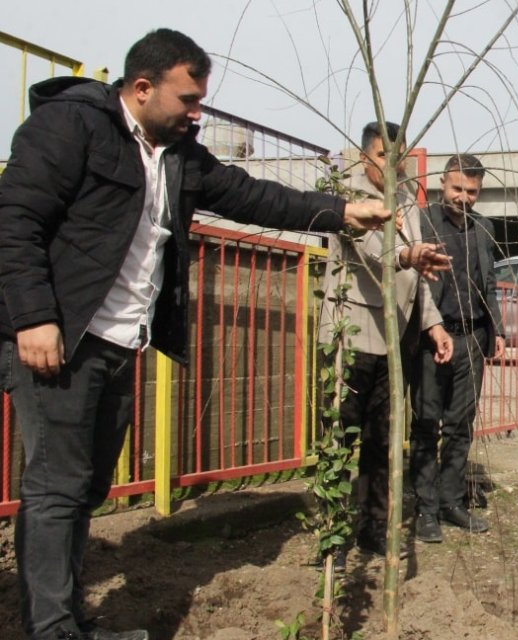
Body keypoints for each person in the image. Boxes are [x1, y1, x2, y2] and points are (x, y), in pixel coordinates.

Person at [0, 29, 399, 640]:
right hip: (63, 339)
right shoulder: (70, 126)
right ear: (142, 87)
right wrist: (34, 318)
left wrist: (341, 212)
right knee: (56, 488)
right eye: (188, 99)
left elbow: (251, 196)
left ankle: (69, 621)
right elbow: (15, 221)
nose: (196, 113)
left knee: (85, 487)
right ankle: (51, 630)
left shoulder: (179, 154)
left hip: (121, 342)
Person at [317, 121, 454, 564]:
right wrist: (406, 255)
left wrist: (434, 325)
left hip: (392, 341)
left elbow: (418, 275)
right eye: (383, 156)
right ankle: (332, 537)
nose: (393, 165)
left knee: (381, 442)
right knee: (339, 438)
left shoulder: (407, 202)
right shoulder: (347, 195)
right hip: (351, 334)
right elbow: (371, 249)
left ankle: (373, 528)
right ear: (364, 157)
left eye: (400, 158)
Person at [410, 153, 506, 542]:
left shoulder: (483, 228)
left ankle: (451, 501)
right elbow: (413, 282)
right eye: (457, 189)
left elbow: (490, 283)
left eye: (472, 192)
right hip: (431, 339)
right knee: (426, 422)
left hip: (472, 339)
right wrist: (430, 328)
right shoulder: (421, 222)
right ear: (442, 184)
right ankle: (425, 509)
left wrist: (497, 330)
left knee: (460, 424)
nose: (463, 198)